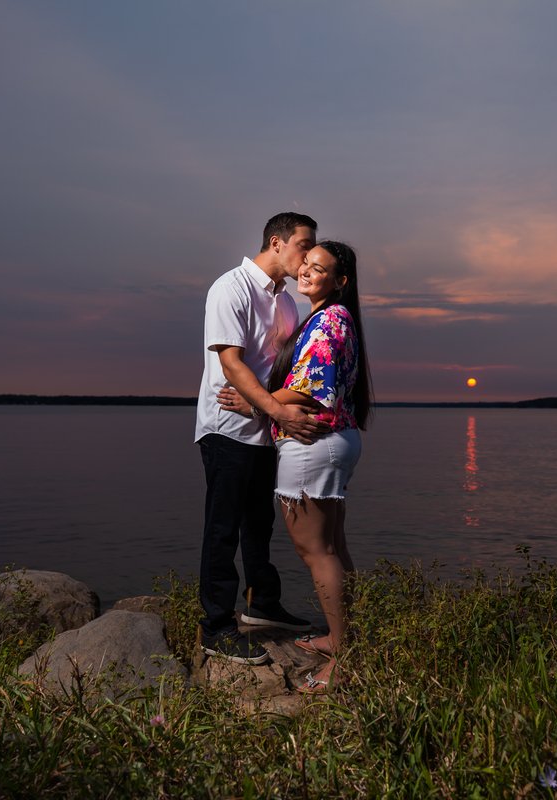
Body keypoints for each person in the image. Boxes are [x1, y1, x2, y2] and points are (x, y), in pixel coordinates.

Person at [220, 240, 372, 692]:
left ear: (339, 281)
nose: (305, 270)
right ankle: (344, 639)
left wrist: (255, 403)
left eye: (318, 268)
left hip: (312, 443)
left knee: (316, 552)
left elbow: (309, 386)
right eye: (306, 262)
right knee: (333, 547)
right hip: (332, 441)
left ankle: (343, 660)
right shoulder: (332, 317)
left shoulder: (329, 320)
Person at [194, 212, 329, 665]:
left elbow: (280, 372)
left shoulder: (287, 303)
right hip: (226, 429)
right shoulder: (230, 288)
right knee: (222, 528)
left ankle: (262, 604)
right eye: (303, 245)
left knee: (259, 524)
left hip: (264, 431)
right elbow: (231, 364)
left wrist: (271, 412)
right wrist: (277, 411)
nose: (308, 257)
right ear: (276, 242)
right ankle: (216, 626)